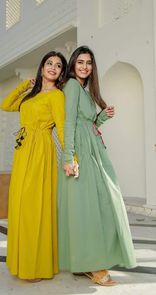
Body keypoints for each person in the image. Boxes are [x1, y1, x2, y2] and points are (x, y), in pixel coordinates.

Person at [58, 46, 137, 286]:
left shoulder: (84, 89)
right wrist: (69, 158)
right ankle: (93, 264)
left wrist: (102, 116)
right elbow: (69, 122)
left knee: (99, 203)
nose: (84, 66)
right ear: (72, 65)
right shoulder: (71, 86)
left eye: (89, 63)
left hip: (94, 148)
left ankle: (84, 262)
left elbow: (88, 122)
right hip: (81, 152)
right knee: (87, 208)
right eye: (80, 62)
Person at [0, 51, 67, 281]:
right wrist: (22, 87)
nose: (53, 67)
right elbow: (5, 105)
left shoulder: (57, 95)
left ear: (60, 73)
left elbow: (61, 128)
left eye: (58, 66)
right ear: (41, 68)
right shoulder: (32, 95)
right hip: (22, 151)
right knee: (19, 204)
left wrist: (70, 157)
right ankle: (21, 261)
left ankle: (36, 265)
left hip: (40, 151)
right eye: (49, 63)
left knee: (34, 207)